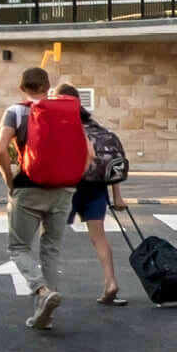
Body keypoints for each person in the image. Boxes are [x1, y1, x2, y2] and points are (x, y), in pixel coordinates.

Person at [0, 67, 87, 332]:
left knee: (19, 247)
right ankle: (46, 312)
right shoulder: (67, 112)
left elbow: (0, 150)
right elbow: (87, 153)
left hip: (29, 187)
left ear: (22, 88)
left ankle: (42, 291)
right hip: (64, 189)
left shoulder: (16, 111)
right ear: (48, 86)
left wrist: (10, 183)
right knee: (51, 248)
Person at [62, 79, 127, 305]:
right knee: (99, 237)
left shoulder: (61, 124)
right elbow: (113, 163)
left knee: (49, 236)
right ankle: (111, 282)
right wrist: (117, 196)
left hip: (68, 187)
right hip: (97, 187)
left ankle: (44, 287)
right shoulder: (96, 126)